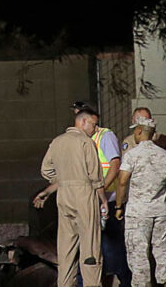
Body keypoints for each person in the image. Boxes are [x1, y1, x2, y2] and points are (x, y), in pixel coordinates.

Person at [39, 108, 108, 287]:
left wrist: (62, 179)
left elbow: (45, 170)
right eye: (93, 124)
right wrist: (104, 200)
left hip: (64, 195)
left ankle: (65, 283)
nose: (95, 128)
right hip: (84, 194)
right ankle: (92, 284)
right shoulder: (86, 143)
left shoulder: (57, 142)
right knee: (90, 245)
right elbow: (96, 176)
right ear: (83, 122)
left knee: (66, 247)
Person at [71, 102, 129, 287]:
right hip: (88, 201)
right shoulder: (80, 140)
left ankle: (125, 281)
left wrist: (102, 189)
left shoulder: (105, 136)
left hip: (107, 201)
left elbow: (114, 164)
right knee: (90, 247)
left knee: (111, 247)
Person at [115, 115, 166, 287]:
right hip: (161, 210)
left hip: (138, 213)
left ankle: (142, 284)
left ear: (139, 132)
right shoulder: (164, 155)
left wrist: (118, 206)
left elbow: (123, 181)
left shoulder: (133, 155)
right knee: (163, 251)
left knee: (138, 253)